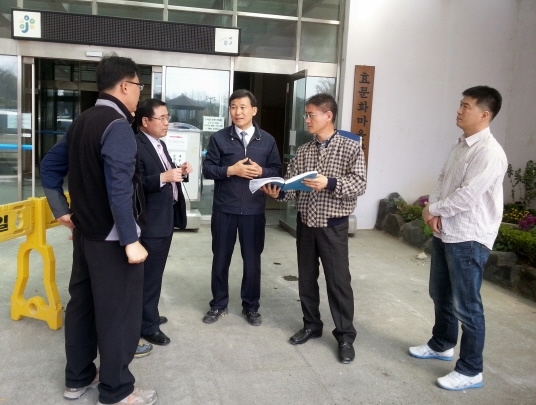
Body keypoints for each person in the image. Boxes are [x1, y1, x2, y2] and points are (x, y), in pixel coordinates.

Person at [40, 55, 157, 405]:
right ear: (125, 86)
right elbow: (119, 188)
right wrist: (131, 240)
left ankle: (77, 378)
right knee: (119, 313)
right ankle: (117, 390)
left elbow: (49, 167)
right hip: (113, 240)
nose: (139, 93)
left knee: (83, 306)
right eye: (138, 86)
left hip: (85, 235)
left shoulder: (82, 121)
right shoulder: (117, 126)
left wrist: (61, 210)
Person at [409, 86, 507, 391]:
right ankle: (441, 344)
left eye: (466, 106)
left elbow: (468, 195)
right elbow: (442, 180)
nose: (459, 110)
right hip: (446, 231)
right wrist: (432, 209)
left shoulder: (489, 152)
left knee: (467, 306)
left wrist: (434, 209)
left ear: (484, 114)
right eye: (460, 104)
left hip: (469, 236)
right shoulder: (460, 144)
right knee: (440, 293)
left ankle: (470, 370)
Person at [261, 93, 367, 364]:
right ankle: (311, 325)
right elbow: (291, 187)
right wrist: (277, 192)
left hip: (333, 225)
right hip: (306, 223)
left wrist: (329, 183)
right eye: (306, 115)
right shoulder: (305, 150)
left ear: (328, 115)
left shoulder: (350, 146)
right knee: (306, 279)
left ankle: (345, 336)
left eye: (311, 115)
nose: (307, 120)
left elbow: (359, 183)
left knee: (338, 282)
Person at [202, 89, 281, 326]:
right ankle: (218, 304)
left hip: (254, 211)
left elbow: (277, 170)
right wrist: (231, 170)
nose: (237, 112)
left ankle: (251, 307)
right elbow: (208, 169)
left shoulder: (267, 140)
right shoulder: (219, 138)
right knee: (220, 258)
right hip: (224, 209)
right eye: (233, 107)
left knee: (252, 261)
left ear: (253, 110)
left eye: (243, 107)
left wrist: (262, 171)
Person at [135, 98, 192, 346]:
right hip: (151, 223)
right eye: (162, 118)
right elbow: (135, 183)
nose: (167, 122)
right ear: (145, 121)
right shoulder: (136, 145)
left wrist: (180, 172)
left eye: (168, 117)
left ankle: (150, 314)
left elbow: (166, 175)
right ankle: (147, 325)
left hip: (165, 219)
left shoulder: (159, 144)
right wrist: (163, 177)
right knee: (149, 277)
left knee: (155, 274)